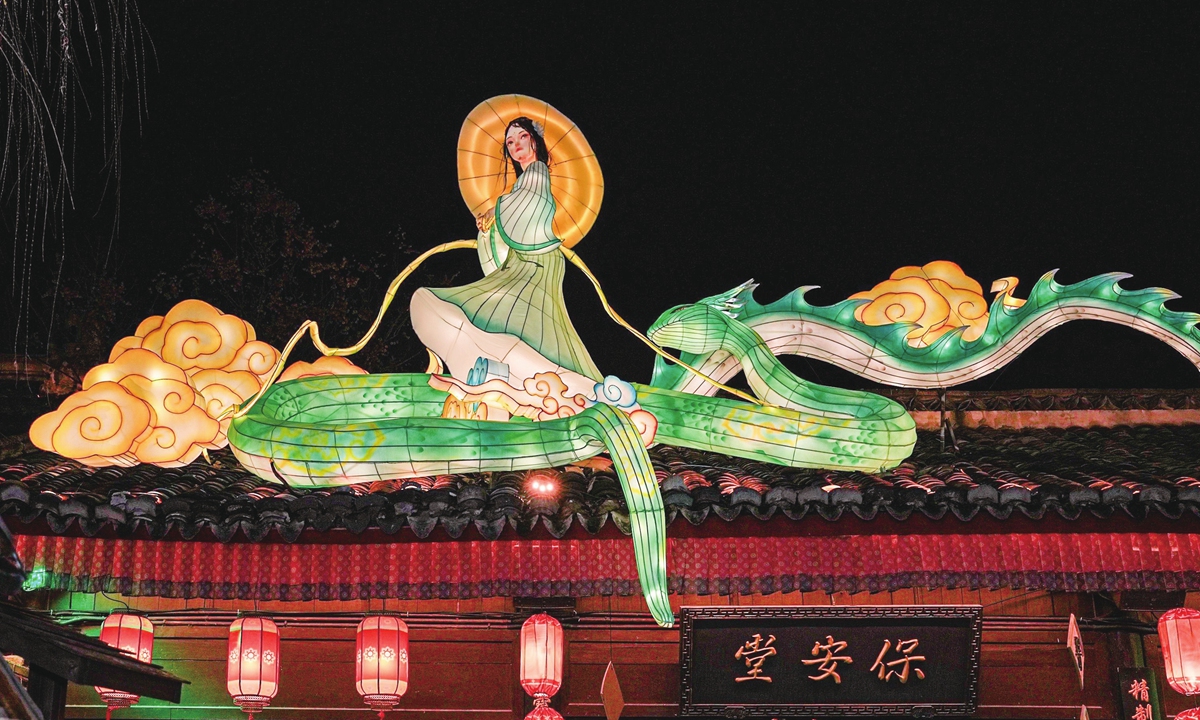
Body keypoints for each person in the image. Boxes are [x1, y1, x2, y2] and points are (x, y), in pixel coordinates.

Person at [410, 117, 603, 396]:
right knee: (511, 315)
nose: (516, 146)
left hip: (537, 263)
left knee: (529, 322)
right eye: (509, 142)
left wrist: (494, 210)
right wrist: (491, 230)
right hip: (522, 261)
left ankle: (537, 374)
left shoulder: (538, 173)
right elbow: (514, 215)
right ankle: (504, 371)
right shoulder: (523, 182)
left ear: (534, 140)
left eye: (522, 137)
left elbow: (527, 205)